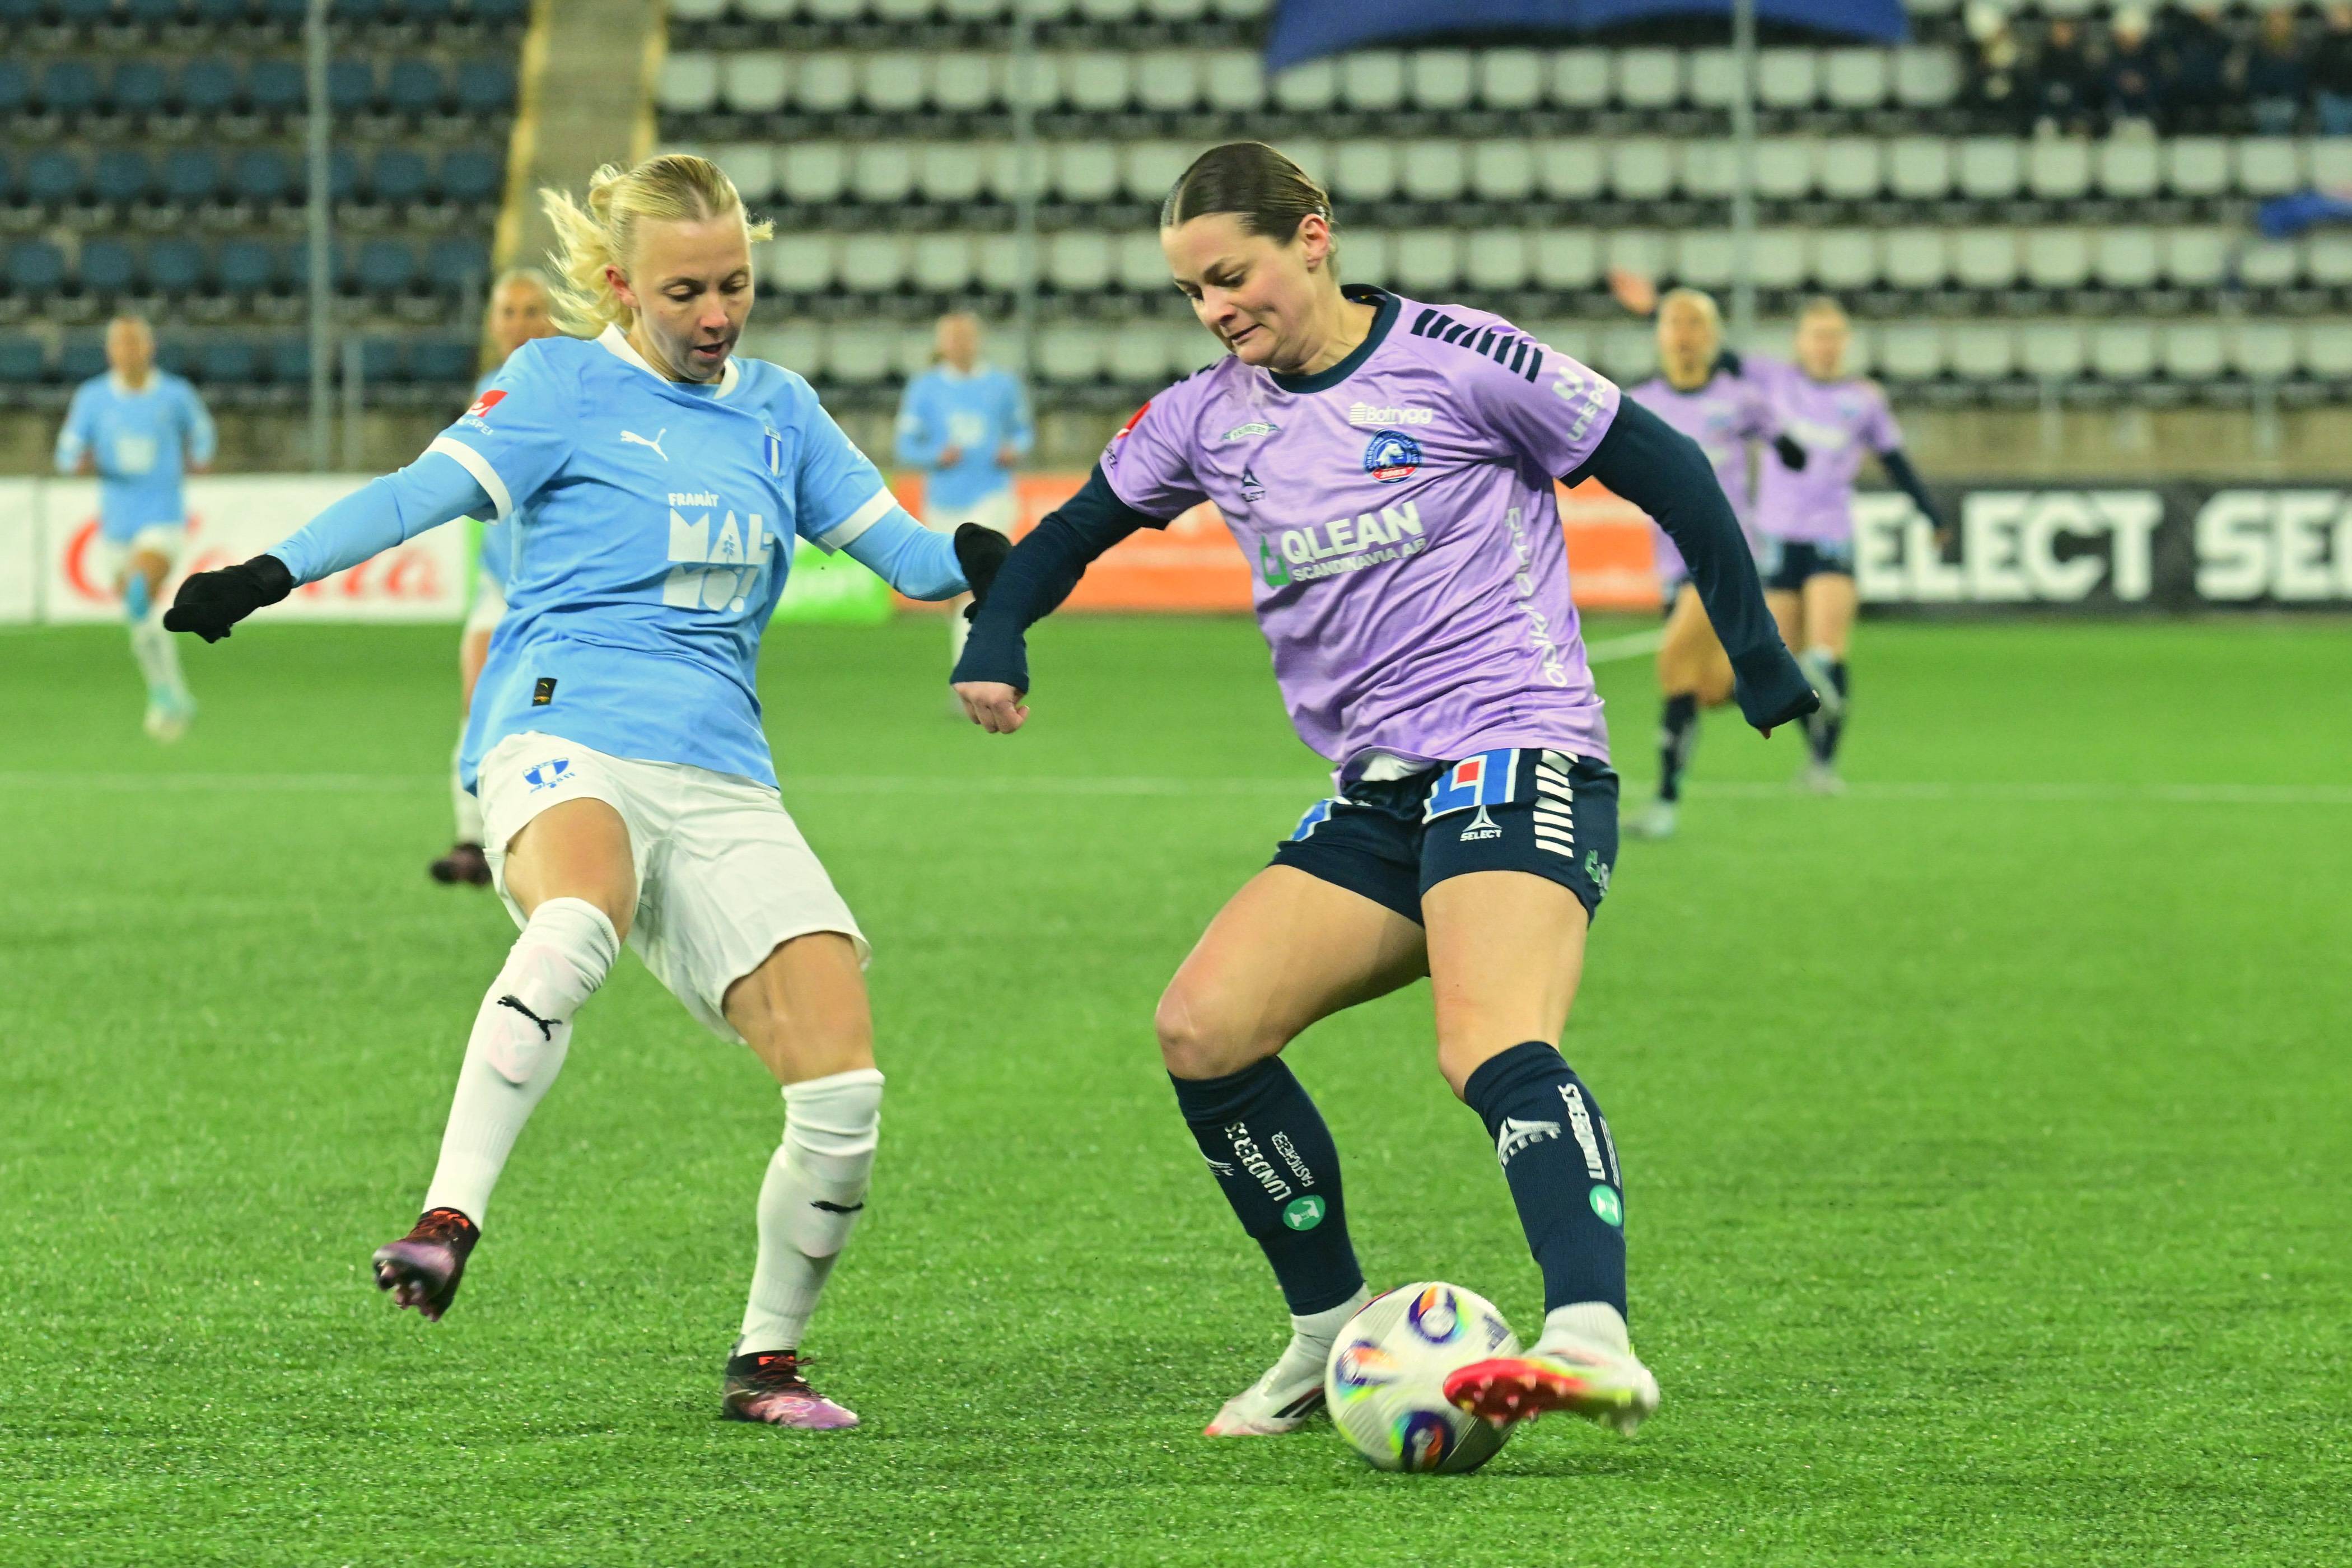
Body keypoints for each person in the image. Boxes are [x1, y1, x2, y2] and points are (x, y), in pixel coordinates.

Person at [951, 143, 1816, 1444]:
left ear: (1315, 236)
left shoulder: (1463, 359)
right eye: (1191, 292)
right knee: (1204, 1031)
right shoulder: (1206, 417)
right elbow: (1074, 527)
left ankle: (1588, 1335)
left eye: (1230, 275)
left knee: (1487, 1042)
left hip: (1520, 754)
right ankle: (1326, 1330)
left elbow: (1671, 467)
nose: (1216, 310)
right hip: (1379, 795)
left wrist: (1754, 654)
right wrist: (997, 632)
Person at [164, 153, 1006, 1430]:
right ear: (621, 284)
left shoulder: (780, 409)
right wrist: (265, 573)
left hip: (724, 775)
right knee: (577, 919)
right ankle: (448, 1220)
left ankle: (764, 1365)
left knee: (844, 1091)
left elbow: (905, 554)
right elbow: (416, 496)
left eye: (736, 283)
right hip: (564, 733)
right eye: (688, 290)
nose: (719, 312)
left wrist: (989, 557)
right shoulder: (559, 385)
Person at [1610, 277, 1807, 841]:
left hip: (1725, 554)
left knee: (1673, 666)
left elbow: (1791, 448)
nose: (1687, 336)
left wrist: (1789, 454)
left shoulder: (1740, 400)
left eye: (1698, 324)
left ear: (1716, 337)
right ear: (1660, 336)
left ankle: (1666, 805)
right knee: (1711, 689)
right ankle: (1798, 674)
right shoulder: (1642, 404)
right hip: (1671, 562)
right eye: (1676, 323)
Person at [1746, 298, 1943, 794]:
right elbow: (1708, 356)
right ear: (1799, 341)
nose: (1826, 346)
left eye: (1835, 336)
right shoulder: (1772, 382)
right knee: (1788, 660)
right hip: (1775, 535)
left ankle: (1825, 764)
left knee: (1827, 652)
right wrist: (1654, 311)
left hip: (1830, 535)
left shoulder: (1864, 399)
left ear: (1845, 343)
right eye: (1817, 335)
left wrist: (1931, 513)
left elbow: (1896, 460)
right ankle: (1813, 756)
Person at [431, 267, 560, 887]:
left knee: (545, 714)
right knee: (476, 698)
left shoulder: (572, 381)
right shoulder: (489, 390)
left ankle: (538, 836)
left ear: (553, 316)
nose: (520, 323)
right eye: (508, 311)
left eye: (531, 310)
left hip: (556, 589)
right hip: (499, 583)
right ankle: (468, 837)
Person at [53, 315, 216, 741]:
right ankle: (170, 692)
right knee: (140, 616)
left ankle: (166, 695)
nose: (128, 352)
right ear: (110, 352)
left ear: (149, 348)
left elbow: (203, 432)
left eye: (135, 343)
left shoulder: (175, 395)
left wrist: (199, 453)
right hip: (117, 524)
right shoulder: (92, 398)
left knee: (141, 590)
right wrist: (77, 463)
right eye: (120, 344)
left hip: (162, 517)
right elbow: (66, 452)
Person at [894, 312, 1033, 670]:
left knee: (980, 581)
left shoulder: (1002, 385)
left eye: (966, 337)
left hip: (992, 493)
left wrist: (1013, 449)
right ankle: (969, 660)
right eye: (952, 338)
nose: (960, 344)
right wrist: (935, 455)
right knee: (954, 590)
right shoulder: (925, 388)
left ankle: (974, 669)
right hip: (944, 498)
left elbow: (1023, 432)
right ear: (941, 345)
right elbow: (906, 445)